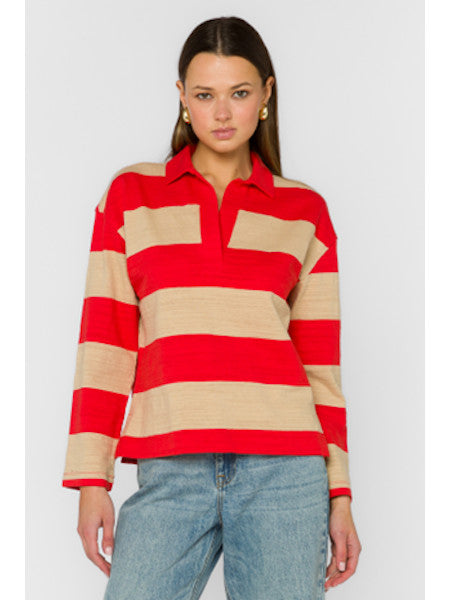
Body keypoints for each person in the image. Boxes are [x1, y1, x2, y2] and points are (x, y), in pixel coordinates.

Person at [62, 15, 362, 600]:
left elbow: (321, 370)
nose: (222, 113)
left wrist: (341, 495)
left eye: (239, 93)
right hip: (171, 468)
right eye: (204, 95)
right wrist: (91, 478)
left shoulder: (305, 212)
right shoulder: (131, 196)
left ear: (266, 94)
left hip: (285, 474)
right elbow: (105, 344)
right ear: (182, 97)